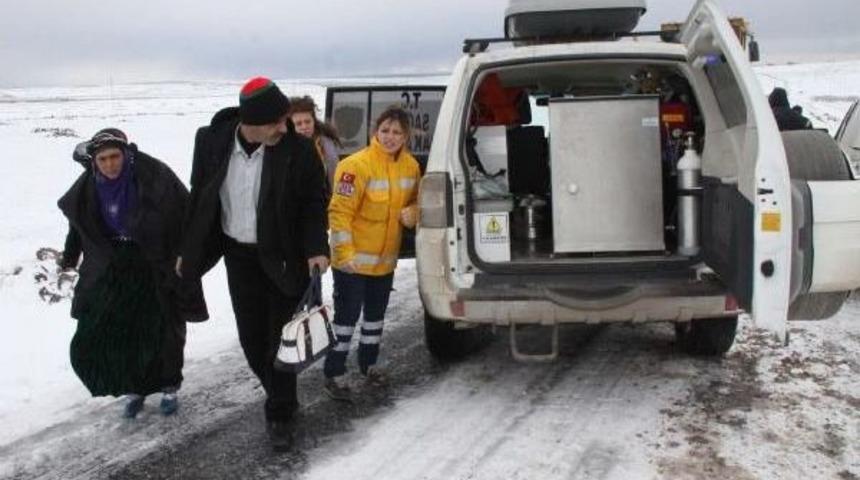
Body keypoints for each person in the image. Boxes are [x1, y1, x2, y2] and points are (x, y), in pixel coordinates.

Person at [176, 77, 329, 451]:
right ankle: (280, 390)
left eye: (285, 120)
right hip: (237, 255)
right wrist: (189, 249)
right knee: (250, 339)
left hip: (283, 254)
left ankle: (280, 410)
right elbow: (201, 195)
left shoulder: (298, 149)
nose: (284, 127)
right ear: (250, 122)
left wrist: (316, 247)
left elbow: (313, 202)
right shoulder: (211, 142)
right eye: (275, 122)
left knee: (279, 340)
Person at [57, 128, 207, 419]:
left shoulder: (155, 178)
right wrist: (69, 256)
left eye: (115, 156)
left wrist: (185, 256)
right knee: (122, 328)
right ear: (94, 161)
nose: (110, 164)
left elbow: (184, 214)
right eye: (103, 159)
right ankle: (134, 386)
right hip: (115, 263)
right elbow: (80, 224)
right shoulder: (89, 186)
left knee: (163, 326)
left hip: (155, 261)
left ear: (126, 154)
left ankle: (168, 385)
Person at [323, 106, 420, 401]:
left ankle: (369, 364)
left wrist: (414, 213)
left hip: (384, 261)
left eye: (397, 133)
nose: (390, 137)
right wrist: (345, 253)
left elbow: (420, 202)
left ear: (406, 137)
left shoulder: (411, 167)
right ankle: (334, 372)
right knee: (346, 319)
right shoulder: (355, 165)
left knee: (375, 319)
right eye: (385, 130)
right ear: (374, 132)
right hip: (352, 263)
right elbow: (339, 213)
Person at [288, 95, 342, 190]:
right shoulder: (285, 147)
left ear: (314, 121)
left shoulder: (325, 145)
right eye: (299, 124)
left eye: (307, 122)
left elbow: (334, 176)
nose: (304, 127)